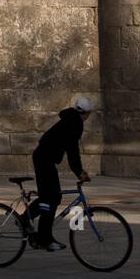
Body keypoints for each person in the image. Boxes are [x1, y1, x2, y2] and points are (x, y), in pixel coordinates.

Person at [29, 96, 92, 251]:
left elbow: (71, 150)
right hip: (44, 160)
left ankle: (27, 220)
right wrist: (79, 172)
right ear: (86, 113)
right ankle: (44, 239)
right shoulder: (75, 124)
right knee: (49, 199)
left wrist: (78, 170)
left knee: (54, 197)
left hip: (45, 159)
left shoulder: (70, 119)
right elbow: (73, 151)